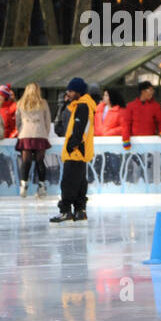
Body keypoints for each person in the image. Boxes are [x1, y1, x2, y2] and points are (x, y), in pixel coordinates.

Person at [50, 78, 95, 223]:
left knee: (68, 182)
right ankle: (80, 210)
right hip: (80, 152)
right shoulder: (81, 105)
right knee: (80, 182)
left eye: (70, 91)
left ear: (78, 92)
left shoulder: (82, 106)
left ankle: (66, 211)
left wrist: (72, 145)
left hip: (75, 151)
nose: (68, 93)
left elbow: (79, 129)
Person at [15, 83, 53, 198]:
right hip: (40, 134)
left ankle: (23, 184)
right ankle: (41, 186)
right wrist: (45, 133)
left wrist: (20, 131)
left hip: (25, 134)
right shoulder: (43, 103)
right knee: (39, 161)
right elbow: (48, 120)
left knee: (26, 162)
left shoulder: (20, 103)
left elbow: (17, 121)